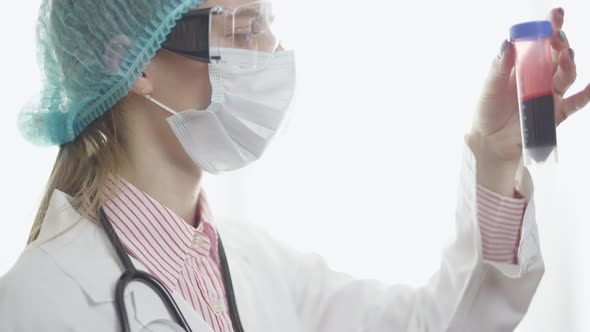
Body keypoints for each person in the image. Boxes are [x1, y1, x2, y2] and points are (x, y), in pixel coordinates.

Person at [0, 1, 588, 331]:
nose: (271, 53)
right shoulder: (36, 304)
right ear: (132, 62)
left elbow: (440, 326)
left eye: (267, 22)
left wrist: (494, 151)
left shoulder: (263, 268)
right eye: (243, 25)